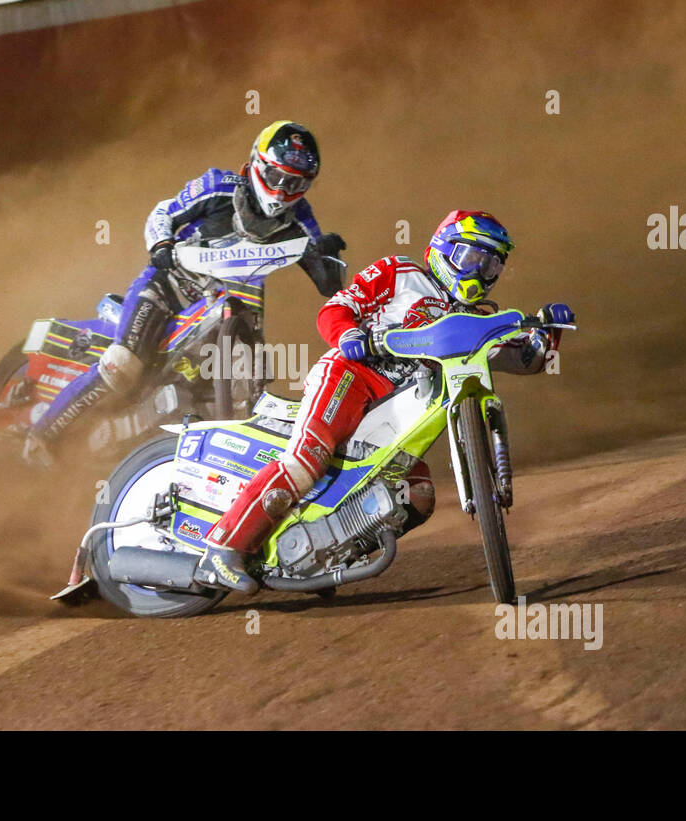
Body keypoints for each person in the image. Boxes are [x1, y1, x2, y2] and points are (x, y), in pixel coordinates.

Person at [194, 209, 575, 593]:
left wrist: (547, 332)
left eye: (491, 265)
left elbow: (525, 359)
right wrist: (348, 335)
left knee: (419, 493)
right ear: (443, 249)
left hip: (393, 413)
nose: (478, 272)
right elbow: (336, 309)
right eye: (470, 258)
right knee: (306, 459)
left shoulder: (472, 324)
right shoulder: (401, 271)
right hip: (352, 375)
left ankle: (321, 558)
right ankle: (223, 548)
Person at [22, 120, 346, 460]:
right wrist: (161, 244)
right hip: (168, 286)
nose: (281, 191)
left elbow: (328, 286)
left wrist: (327, 254)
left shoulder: (301, 218)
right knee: (123, 364)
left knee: (253, 378)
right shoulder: (219, 186)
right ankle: (41, 434)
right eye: (277, 177)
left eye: (294, 183)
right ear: (256, 163)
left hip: (236, 302)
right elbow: (164, 211)